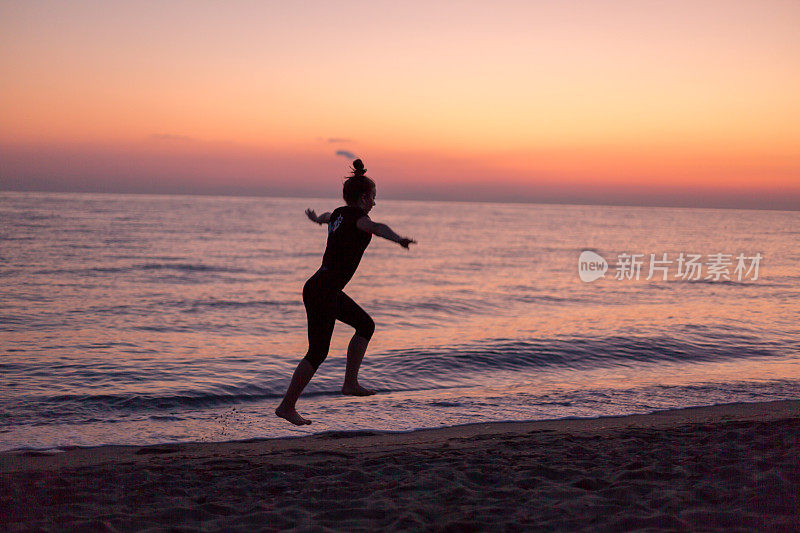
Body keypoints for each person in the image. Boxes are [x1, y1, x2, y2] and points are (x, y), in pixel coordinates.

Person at [275, 159, 416, 425]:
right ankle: (287, 406)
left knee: (365, 325)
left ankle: (350, 383)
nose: (374, 203)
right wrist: (399, 240)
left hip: (321, 287)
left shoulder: (340, 214)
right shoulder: (360, 220)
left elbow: (328, 217)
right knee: (317, 352)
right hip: (323, 290)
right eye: (373, 197)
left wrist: (317, 219)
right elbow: (377, 227)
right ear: (363, 198)